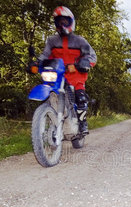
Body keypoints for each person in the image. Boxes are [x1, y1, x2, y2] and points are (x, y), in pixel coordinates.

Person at [38, 6, 97, 134]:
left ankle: (82, 123)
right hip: (57, 75)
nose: (62, 24)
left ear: (71, 22)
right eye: (59, 21)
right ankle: (47, 124)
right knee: (48, 94)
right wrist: (37, 62)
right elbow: (45, 55)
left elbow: (92, 56)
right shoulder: (52, 41)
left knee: (80, 97)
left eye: (65, 21)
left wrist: (85, 62)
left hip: (76, 76)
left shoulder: (80, 41)